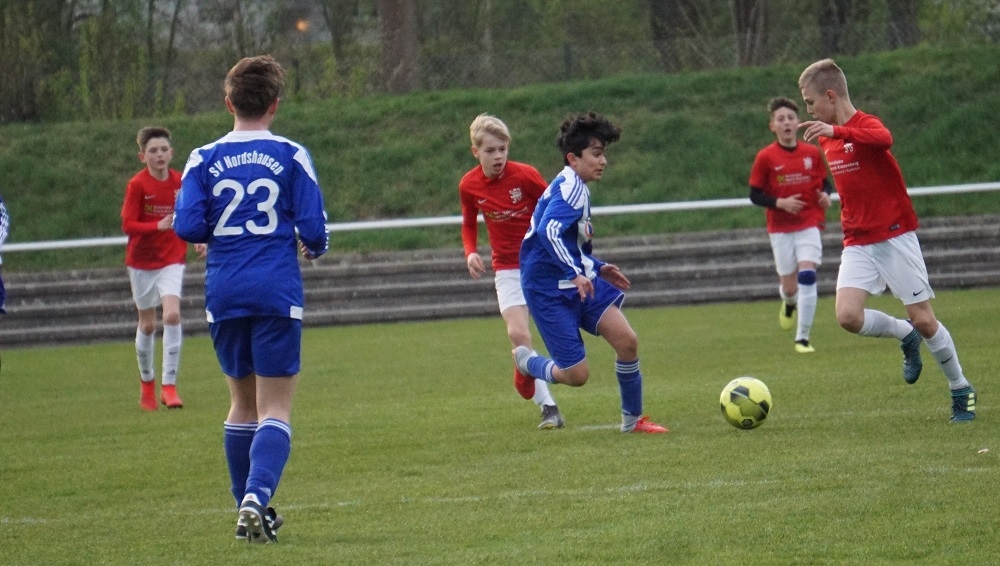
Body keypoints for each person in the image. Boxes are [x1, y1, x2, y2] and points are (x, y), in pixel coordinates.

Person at [174, 54, 330, 542]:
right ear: (275, 104)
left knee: (241, 405)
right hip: (275, 289)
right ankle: (255, 498)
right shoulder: (290, 154)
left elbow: (187, 225)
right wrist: (313, 246)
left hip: (224, 290)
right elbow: (314, 229)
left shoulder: (202, 157)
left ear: (229, 104)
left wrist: (216, 231)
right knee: (275, 409)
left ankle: (247, 508)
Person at [798, 58, 976, 422]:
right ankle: (903, 335)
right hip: (858, 240)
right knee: (848, 316)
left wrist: (839, 132)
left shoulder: (863, 125)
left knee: (925, 320)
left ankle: (960, 387)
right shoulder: (827, 139)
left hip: (894, 235)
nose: (809, 110)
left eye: (810, 102)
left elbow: (884, 139)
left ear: (830, 96)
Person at [513, 112, 668, 434]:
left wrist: (597, 267)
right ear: (573, 158)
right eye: (596, 154)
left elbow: (568, 241)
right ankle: (527, 362)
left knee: (627, 341)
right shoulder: (571, 188)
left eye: (604, 154)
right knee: (576, 376)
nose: (603, 161)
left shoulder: (576, 186)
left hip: (577, 280)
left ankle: (632, 421)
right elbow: (548, 231)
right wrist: (575, 272)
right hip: (547, 289)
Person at [459, 114, 564, 429]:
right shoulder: (469, 185)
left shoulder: (525, 176)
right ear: (476, 152)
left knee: (562, 330)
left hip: (541, 264)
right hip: (507, 268)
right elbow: (468, 222)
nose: (498, 156)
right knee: (517, 334)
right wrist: (470, 251)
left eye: (502, 149)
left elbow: (555, 206)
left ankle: (526, 366)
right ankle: (549, 408)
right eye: (490, 150)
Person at [121, 127, 206, 411]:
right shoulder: (137, 185)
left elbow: (190, 214)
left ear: (171, 153)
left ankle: (169, 386)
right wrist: (155, 226)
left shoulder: (181, 181)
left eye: (163, 150)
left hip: (172, 257)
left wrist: (199, 238)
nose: (159, 155)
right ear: (142, 156)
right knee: (147, 324)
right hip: (142, 262)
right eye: (153, 151)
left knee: (171, 315)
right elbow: (128, 224)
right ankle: (147, 383)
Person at [748, 97, 833, 353]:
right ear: (772, 126)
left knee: (807, 274)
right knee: (789, 286)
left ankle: (802, 338)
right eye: (780, 119)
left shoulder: (811, 153)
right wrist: (780, 203)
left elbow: (824, 182)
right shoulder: (766, 157)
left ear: (798, 123)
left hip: (809, 222)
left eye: (790, 118)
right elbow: (755, 194)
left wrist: (825, 195)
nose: (786, 123)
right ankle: (789, 302)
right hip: (780, 228)